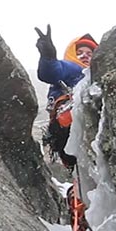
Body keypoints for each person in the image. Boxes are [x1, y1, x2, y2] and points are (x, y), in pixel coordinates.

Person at [34, 25, 98, 172]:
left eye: (90, 53)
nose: (85, 55)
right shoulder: (72, 68)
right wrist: (48, 58)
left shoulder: (96, 76)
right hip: (66, 128)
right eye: (80, 52)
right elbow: (50, 73)